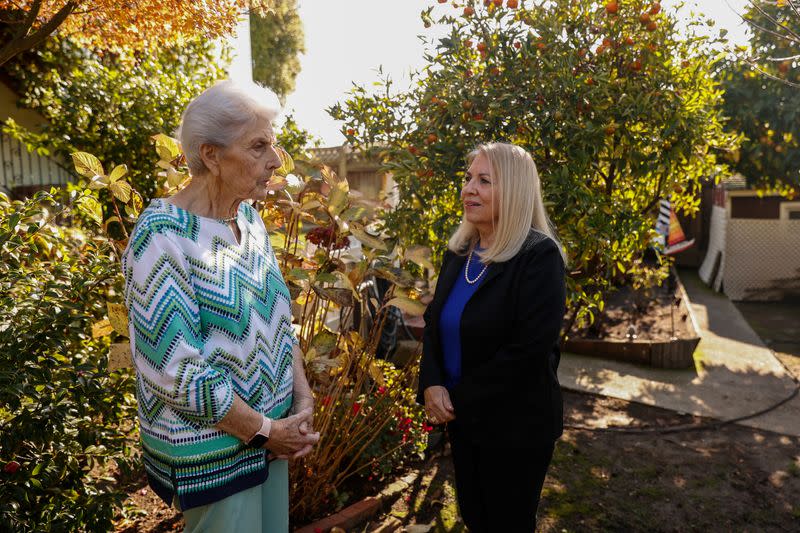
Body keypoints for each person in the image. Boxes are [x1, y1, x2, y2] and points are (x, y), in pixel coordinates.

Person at [122, 80, 319, 532]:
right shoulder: (161, 235)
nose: (275, 160)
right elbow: (176, 372)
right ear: (210, 155)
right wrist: (267, 430)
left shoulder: (246, 218)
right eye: (258, 146)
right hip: (216, 455)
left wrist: (301, 398)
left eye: (274, 144)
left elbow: (278, 322)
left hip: (270, 442)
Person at [417, 142, 567, 532]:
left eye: (484, 180)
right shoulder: (460, 252)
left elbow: (528, 352)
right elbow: (434, 323)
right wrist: (432, 384)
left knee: (507, 524)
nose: (469, 188)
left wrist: (455, 398)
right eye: (469, 179)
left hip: (516, 427)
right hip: (464, 419)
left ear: (515, 190)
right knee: (476, 517)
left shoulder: (539, 256)